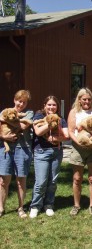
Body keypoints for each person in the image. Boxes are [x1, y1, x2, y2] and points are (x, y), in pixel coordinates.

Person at [29, 96, 69, 218]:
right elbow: (38, 132)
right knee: (41, 182)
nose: (51, 107)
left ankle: (48, 204)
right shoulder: (38, 116)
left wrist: (55, 138)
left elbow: (66, 136)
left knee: (52, 181)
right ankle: (35, 206)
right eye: (49, 105)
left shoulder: (61, 119)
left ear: (57, 107)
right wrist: (50, 122)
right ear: (45, 105)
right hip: (41, 151)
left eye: (54, 105)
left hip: (56, 151)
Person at [68, 87, 92, 216]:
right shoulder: (74, 112)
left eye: (89, 99)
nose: (87, 102)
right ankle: (76, 205)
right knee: (77, 178)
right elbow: (71, 131)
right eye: (84, 99)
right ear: (79, 100)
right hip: (78, 148)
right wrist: (79, 143)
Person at [0, 90, 33, 218]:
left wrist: (3, 119)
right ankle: (1, 208)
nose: (21, 104)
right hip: (4, 147)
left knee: (21, 180)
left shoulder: (29, 113)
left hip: (22, 148)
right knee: (3, 181)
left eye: (24, 102)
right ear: (15, 100)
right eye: (19, 101)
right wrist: (3, 135)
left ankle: (21, 208)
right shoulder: (4, 111)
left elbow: (21, 127)